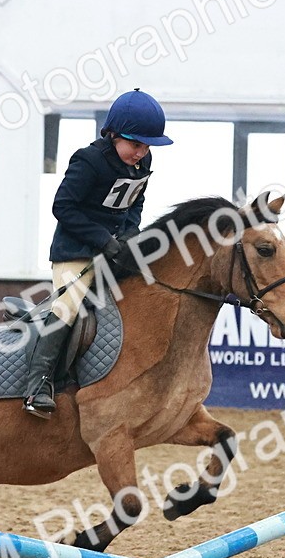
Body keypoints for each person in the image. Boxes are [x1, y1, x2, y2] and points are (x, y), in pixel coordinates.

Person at [23, 88, 173, 418]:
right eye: (136, 144)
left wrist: (131, 233)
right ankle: (38, 385)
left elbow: (136, 203)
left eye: (147, 145)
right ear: (114, 134)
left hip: (114, 251)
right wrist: (103, 239)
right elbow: (62, 207)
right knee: (69, 305)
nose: (142, 152)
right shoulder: (88, 160)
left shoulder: (143, 161)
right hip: (75, 251)